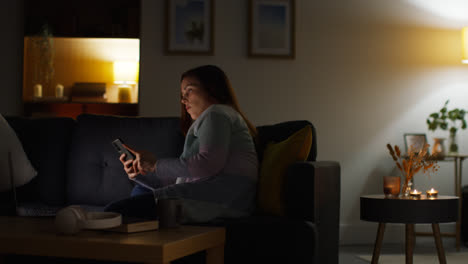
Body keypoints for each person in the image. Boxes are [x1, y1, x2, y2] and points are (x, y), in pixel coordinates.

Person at [104, 65, 259, 223]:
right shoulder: (215, 117)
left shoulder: (216, 113)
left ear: (212, 89)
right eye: (182, 94)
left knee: (112, 214)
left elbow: (207, 164)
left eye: (189, 90)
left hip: (220, 201)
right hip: (222, 199)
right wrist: (141, 171)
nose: (183, 100)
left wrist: (154, 165)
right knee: (139, 190)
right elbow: (184, 179)